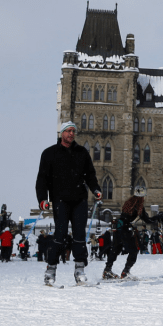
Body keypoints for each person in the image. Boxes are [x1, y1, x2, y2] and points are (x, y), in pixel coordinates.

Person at [35, 121, 102, 286]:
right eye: (68, 131)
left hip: (79, 200)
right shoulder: (49, 153)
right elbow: (42, 179)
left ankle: (80, 270)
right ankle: (51, 269)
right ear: (61, 133)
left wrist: (96, 190)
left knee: (79, 236)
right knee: (60, 235)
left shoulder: (82, 152)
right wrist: (42, 199)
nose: (71, 134)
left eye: (73, 131)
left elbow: (90, 175)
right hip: (60, 200)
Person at [105, 186, 163, 279]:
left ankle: (107, 269)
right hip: (125, 229)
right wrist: (157, 218)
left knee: (116, 249)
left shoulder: (129, 202)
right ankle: (125, 272)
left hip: (118, 227)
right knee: (134, 250)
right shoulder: (138, 206)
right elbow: (147, 220)